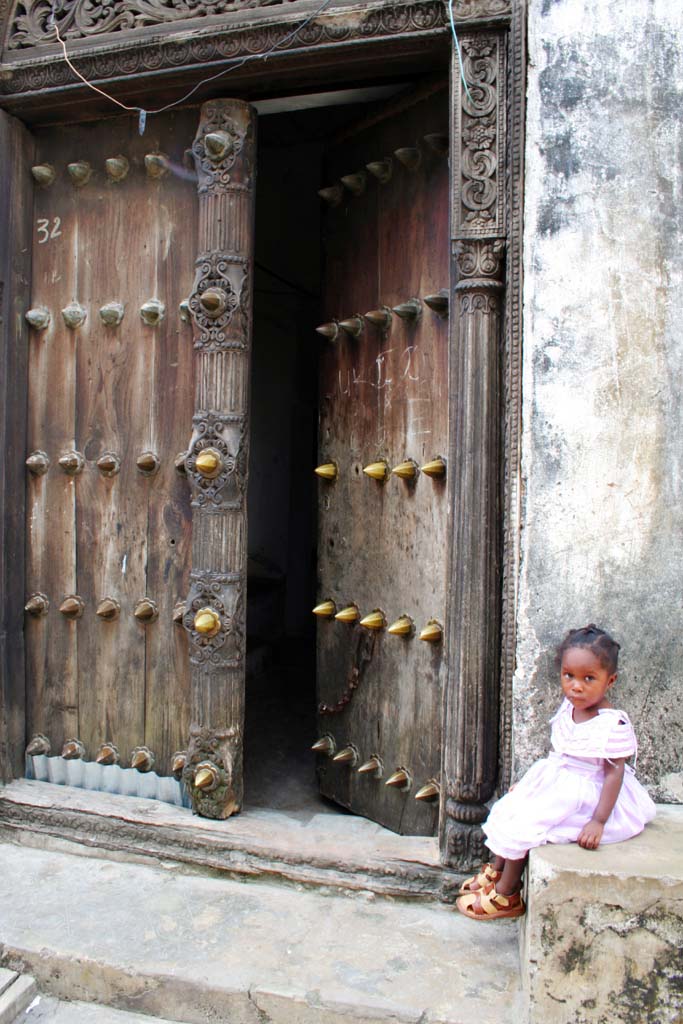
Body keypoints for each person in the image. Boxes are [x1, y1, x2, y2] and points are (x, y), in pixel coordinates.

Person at [456, 624, 657, 921]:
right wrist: (529, 784)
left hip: (587, 794)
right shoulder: (568, 707)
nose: (576, 686)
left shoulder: (612, 725)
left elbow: (614, 776)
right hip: (559, 779)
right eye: (569, 676)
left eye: (589, 678)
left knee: (528, 826)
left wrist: (598, 821)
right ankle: (497, 870)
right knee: (512, 808)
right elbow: (558, 754)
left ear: (610, 680)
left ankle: (507, 893)